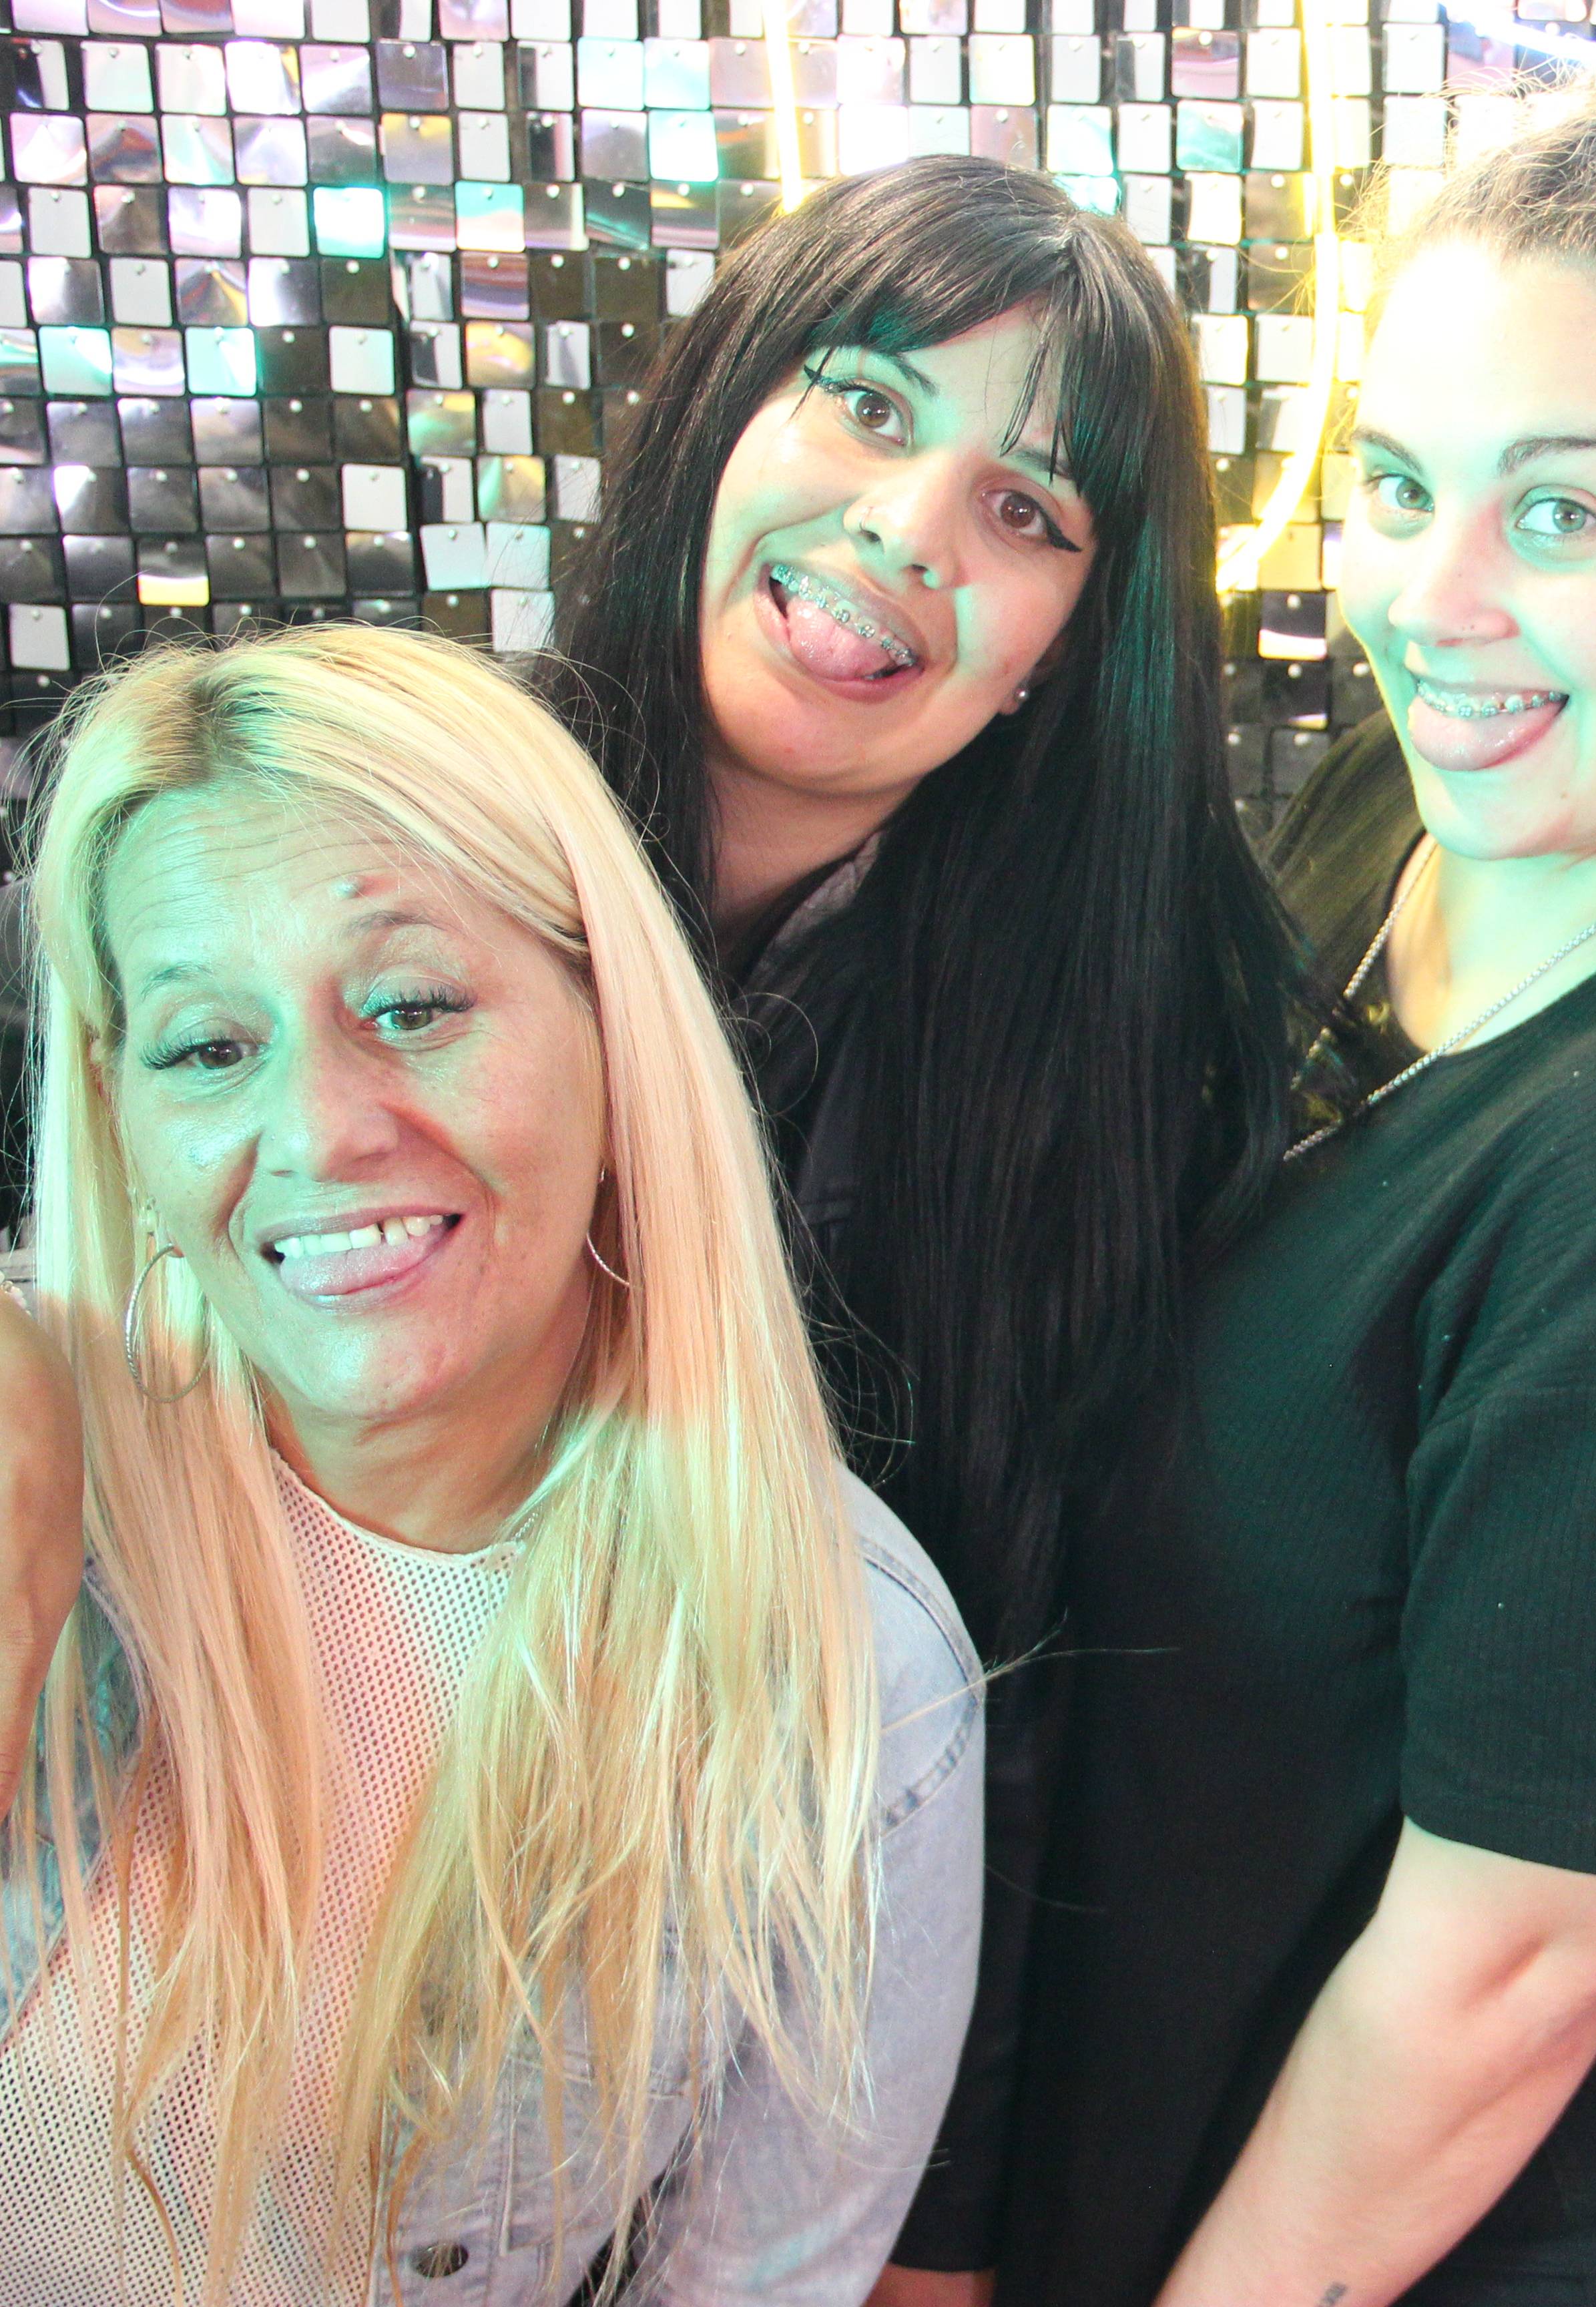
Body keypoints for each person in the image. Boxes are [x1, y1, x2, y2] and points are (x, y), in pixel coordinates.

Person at [995, 5, 1596, 2301]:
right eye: (1400, 484)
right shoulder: (1403, 809)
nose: (1429, 597)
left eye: (1562, 512)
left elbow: (1501, 1981)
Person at [0, 622, 981, 2302]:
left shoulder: (851, 1670)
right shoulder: (35, 1474)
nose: (322, 1132)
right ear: (122, 1113)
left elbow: (761, 2280)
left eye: (413, 1006)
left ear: (614, 1033)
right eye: (208, 1048)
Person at [540, 154, 1294, 2278]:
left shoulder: (1085, 1062)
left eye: (1024, 511)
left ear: (1062, 650)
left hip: (757, 2067)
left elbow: (1021, 1681)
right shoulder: (418, 844)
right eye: (866, 403)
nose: (904, 529)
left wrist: (941, 2231)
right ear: (723, 406)